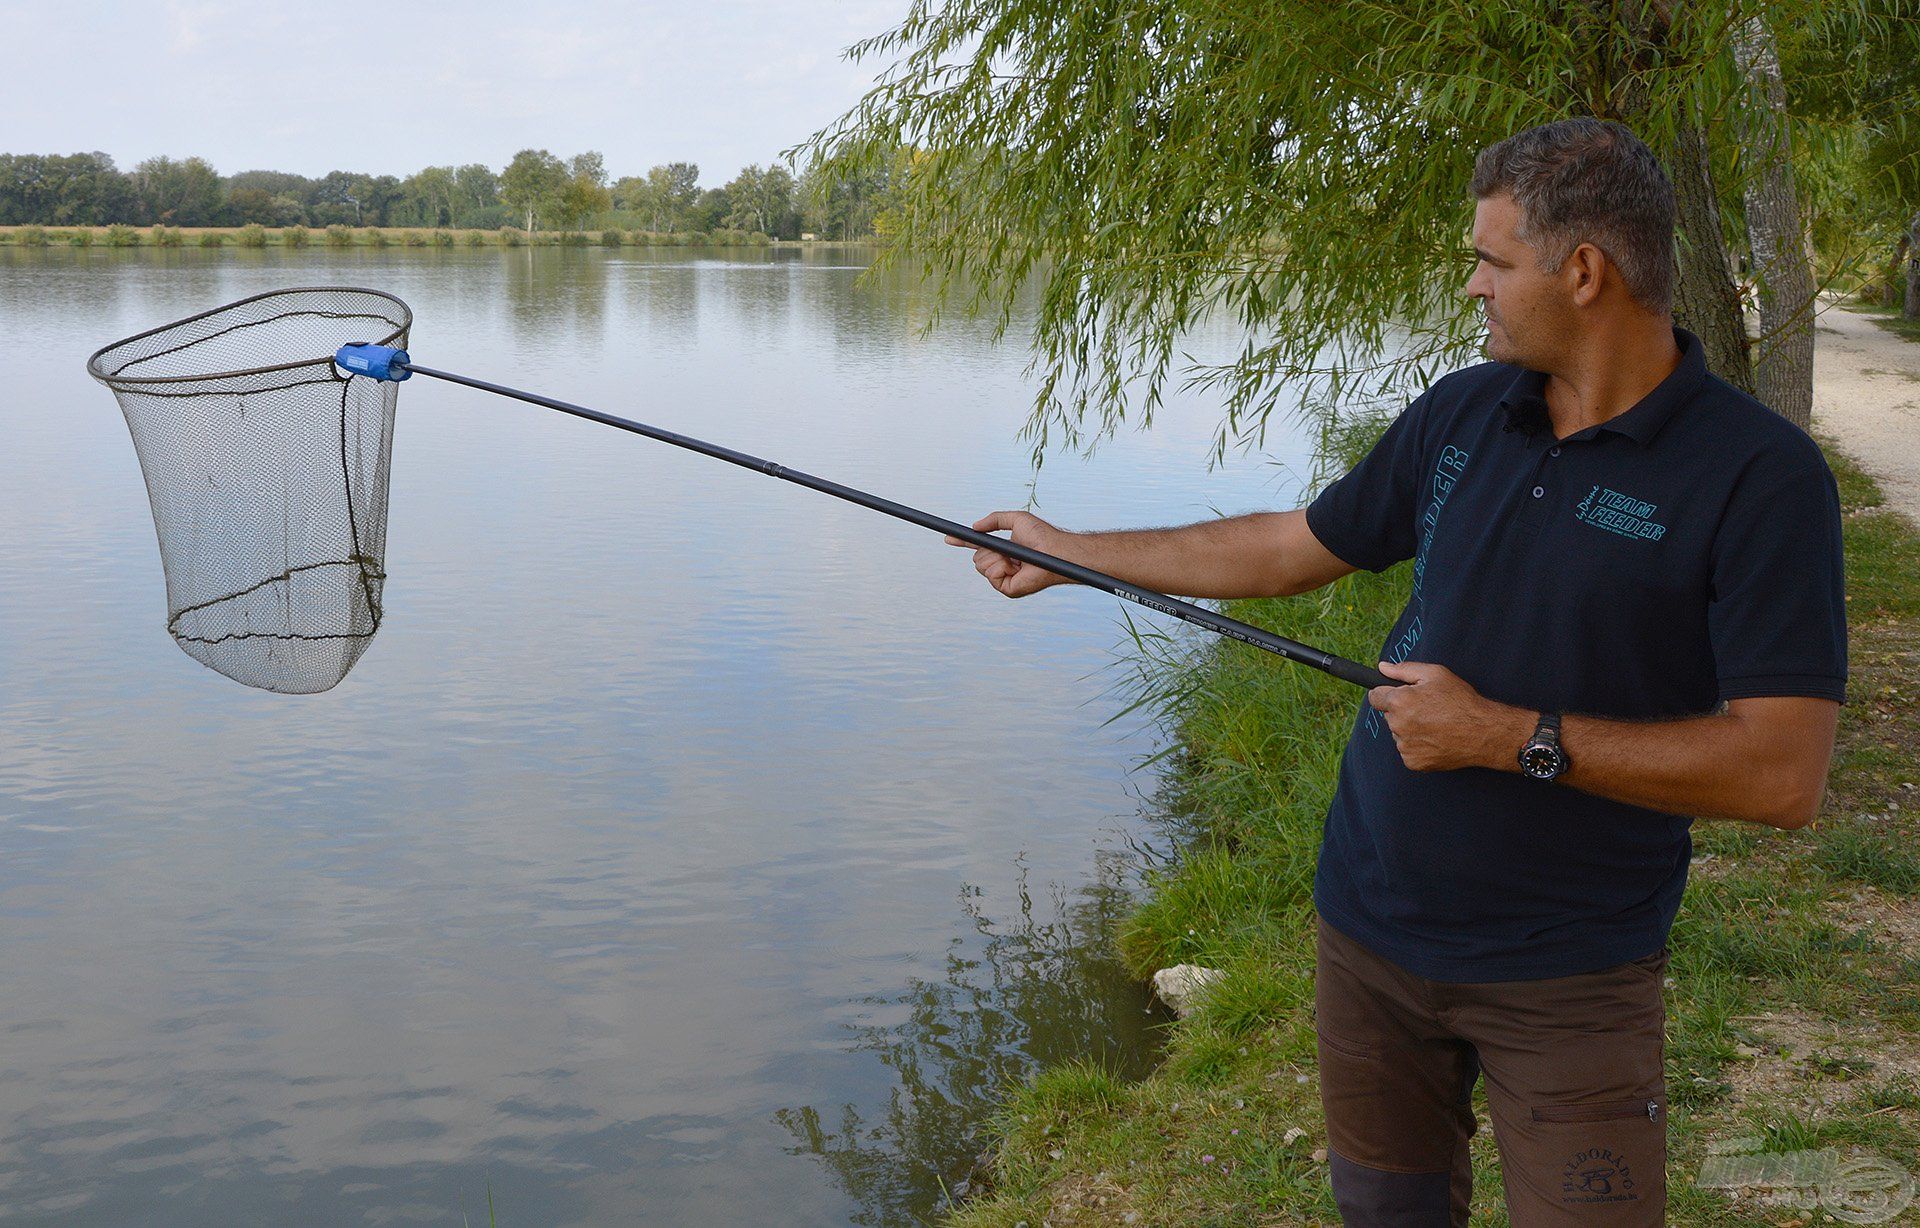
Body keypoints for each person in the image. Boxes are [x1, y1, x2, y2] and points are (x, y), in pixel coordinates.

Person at [946, 118, 1847, 1226]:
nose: (1472, 286)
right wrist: (1069, 553)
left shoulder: (1760, 477)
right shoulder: (1466, 412)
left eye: (1491, 260)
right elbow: (1290, 548)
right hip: (1366, 935)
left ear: (1584, 272)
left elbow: (1781, 774)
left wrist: (1505, 735)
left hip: (1566, 976)